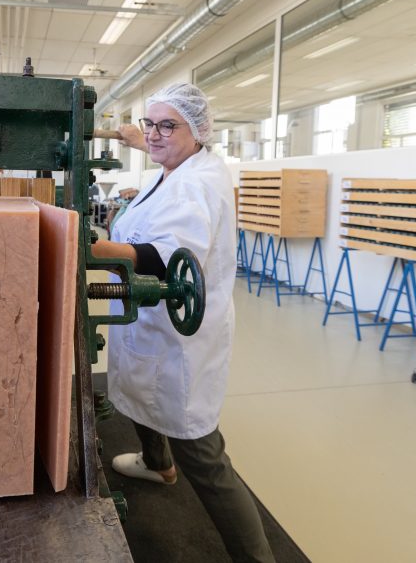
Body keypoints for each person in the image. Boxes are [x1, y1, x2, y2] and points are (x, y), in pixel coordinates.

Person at [91, 83, 275, 563]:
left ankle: (257, 557)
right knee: (136, 389)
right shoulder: (180, 162)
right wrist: (138, 134)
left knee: (205, 456)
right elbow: (151, 137)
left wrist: (88, 247)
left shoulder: (196, 182)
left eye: (167, 126)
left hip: (181, 333)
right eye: (150, 124)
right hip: (149, 324)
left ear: (197, 131)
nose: (154, 134)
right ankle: (158, 464)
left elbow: (167, 257)